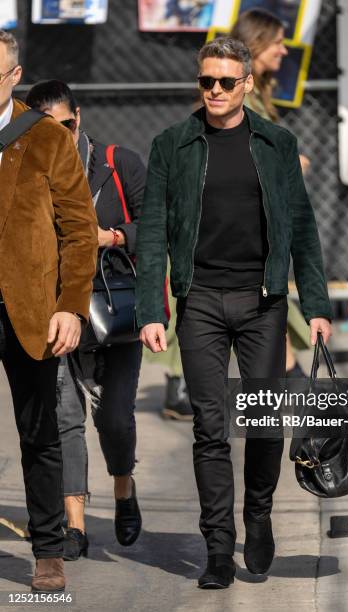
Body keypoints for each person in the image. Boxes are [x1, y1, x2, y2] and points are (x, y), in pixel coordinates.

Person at [136, 37, 332, 588]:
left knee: (265, 421)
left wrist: (314, 305)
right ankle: (218, 547)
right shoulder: (171, 145)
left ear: (246, 83)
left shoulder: (275, 142)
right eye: (206, 81)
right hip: (198, 301)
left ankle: (260, 514)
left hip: (263, 301)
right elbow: (151, 233)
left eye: (226, 81)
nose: (215, 91)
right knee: (210, 429)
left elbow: (302, 230)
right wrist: (153, 308)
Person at [26, 80, 145, 561]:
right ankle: (74, 525)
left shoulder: (120, 164)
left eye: (68, 125)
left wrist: (111, 237)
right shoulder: (28, 170)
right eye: (47, 129)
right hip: (55, 310)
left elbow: (156, 227)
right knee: (64, 417)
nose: (60, 136)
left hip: (115, 308)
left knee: (115, 418)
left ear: (81, 116)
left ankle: (123, 488)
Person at [0, 32, 98, 591]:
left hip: (30, 308)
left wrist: (71, 308)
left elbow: (79, 233)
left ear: (14, 78)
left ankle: (47, 549)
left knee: (39, 431)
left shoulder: (45, 140)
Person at [231, 8, 313, 377]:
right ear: (257, 42)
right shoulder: (237, 99)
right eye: (278, 42)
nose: (283, 51)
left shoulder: (257, 95)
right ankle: (309, 412)